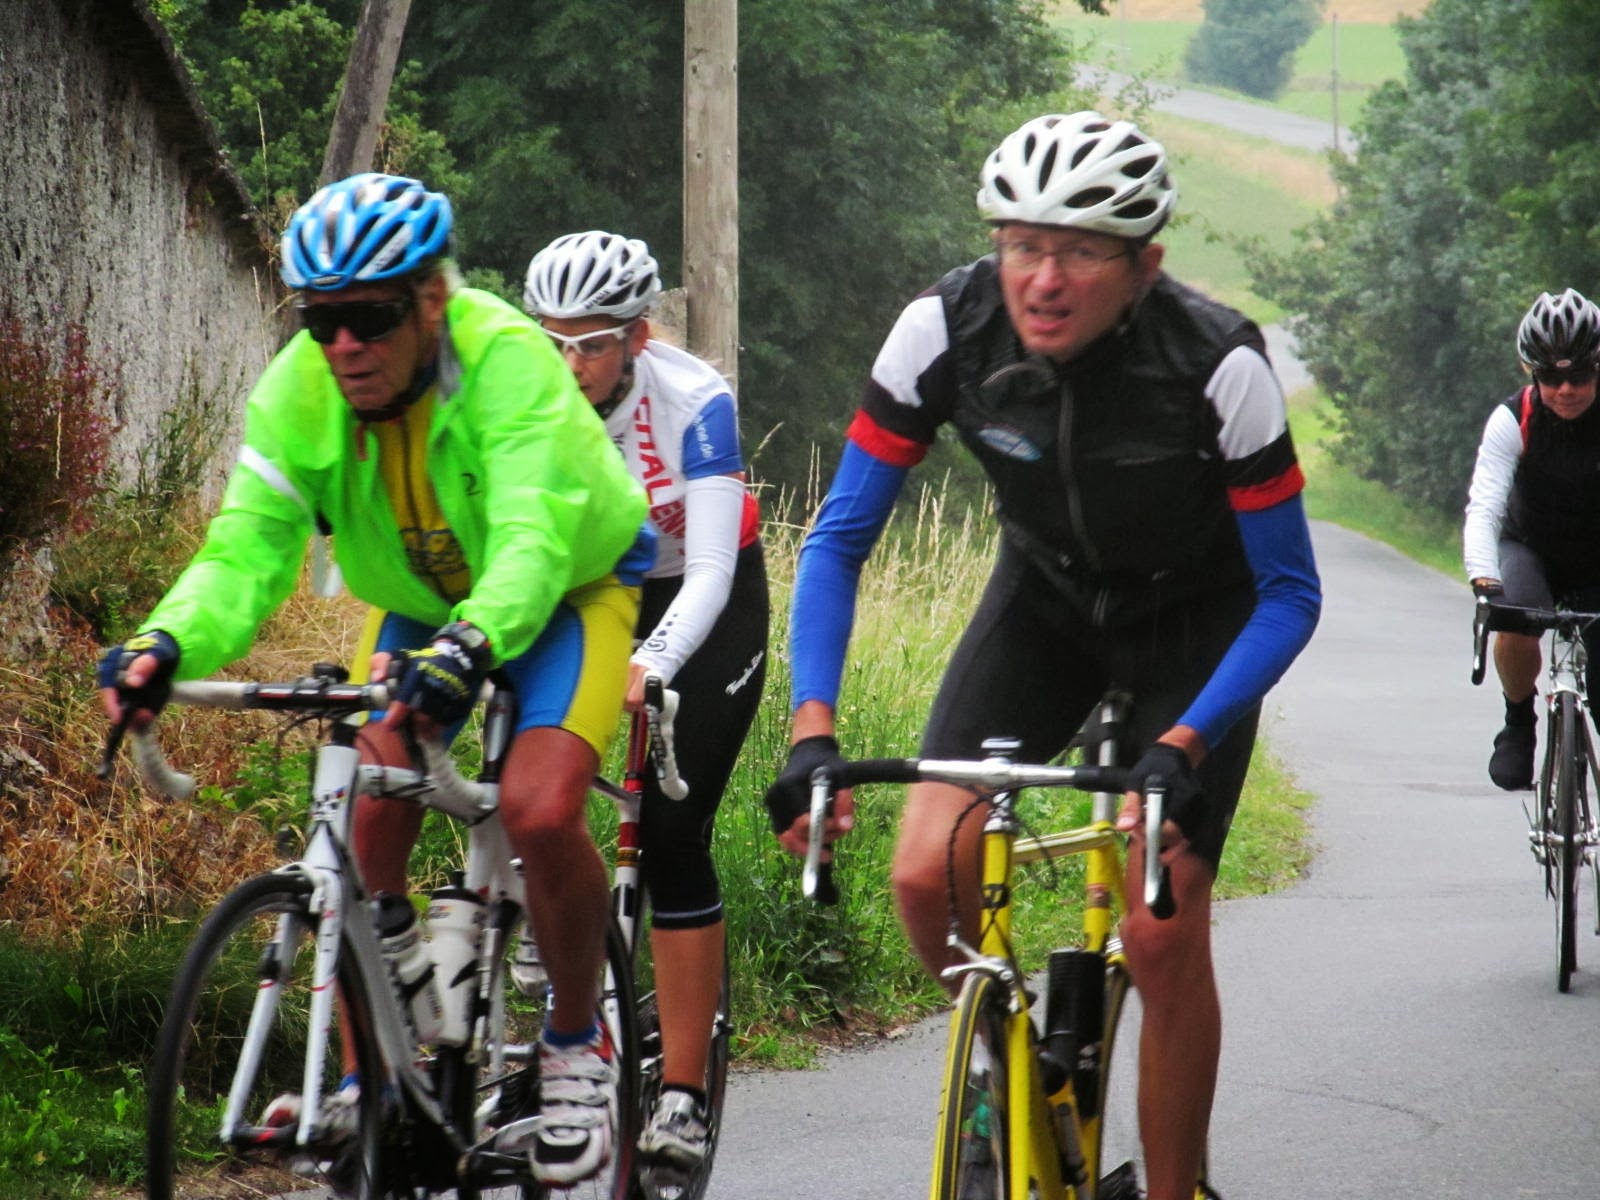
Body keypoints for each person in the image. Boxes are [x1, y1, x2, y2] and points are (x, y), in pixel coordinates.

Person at [763, 111, 1321, 1200]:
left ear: (1145, 265)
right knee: (923, 872)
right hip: (1045, 607)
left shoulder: (1219, 364)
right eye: (1022, 244)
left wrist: (1183, 743)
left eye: (1080, 252)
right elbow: (836, 542)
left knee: (1159, 929)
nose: (1044, 279)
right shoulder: (943, 328)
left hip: (1195, 628)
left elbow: (1290, 595)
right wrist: (811, 729)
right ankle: (1011, 1066)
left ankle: (1175, 1190)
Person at [96, 173, 651, 1186]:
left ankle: (576, 1043)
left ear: (431, 300)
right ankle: (374, 1079)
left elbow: (532, 536)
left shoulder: (506, 361)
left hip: (569, 587)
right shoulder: (300, 392)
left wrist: (474, 645)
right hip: (421, 602)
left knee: (538, 807)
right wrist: (164, 643)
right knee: (365, 808)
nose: (345, 345)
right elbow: (246, 549)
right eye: (322, 321)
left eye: (371, 317)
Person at [523, 230, 769, 1170]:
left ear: (638, 335)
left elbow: (708, 570)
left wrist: (656, 661)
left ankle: (683, 1097)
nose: (571, 363)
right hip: (596, 591)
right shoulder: (527, 395)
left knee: (669, 834)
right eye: (554, 341)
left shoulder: (694, 400)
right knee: (528, 784)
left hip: (704, 601)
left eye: (592, 343)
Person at [1464, 288, 1600, 790]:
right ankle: (1519, 721)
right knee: (1516, 618)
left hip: (1596, 557)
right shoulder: (1513, 418)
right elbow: (1485, 507)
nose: (1565, 389)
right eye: (1550, 377)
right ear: (1531, 373)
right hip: (1530, 547)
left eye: (1579, 376)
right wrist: (1484, 579)